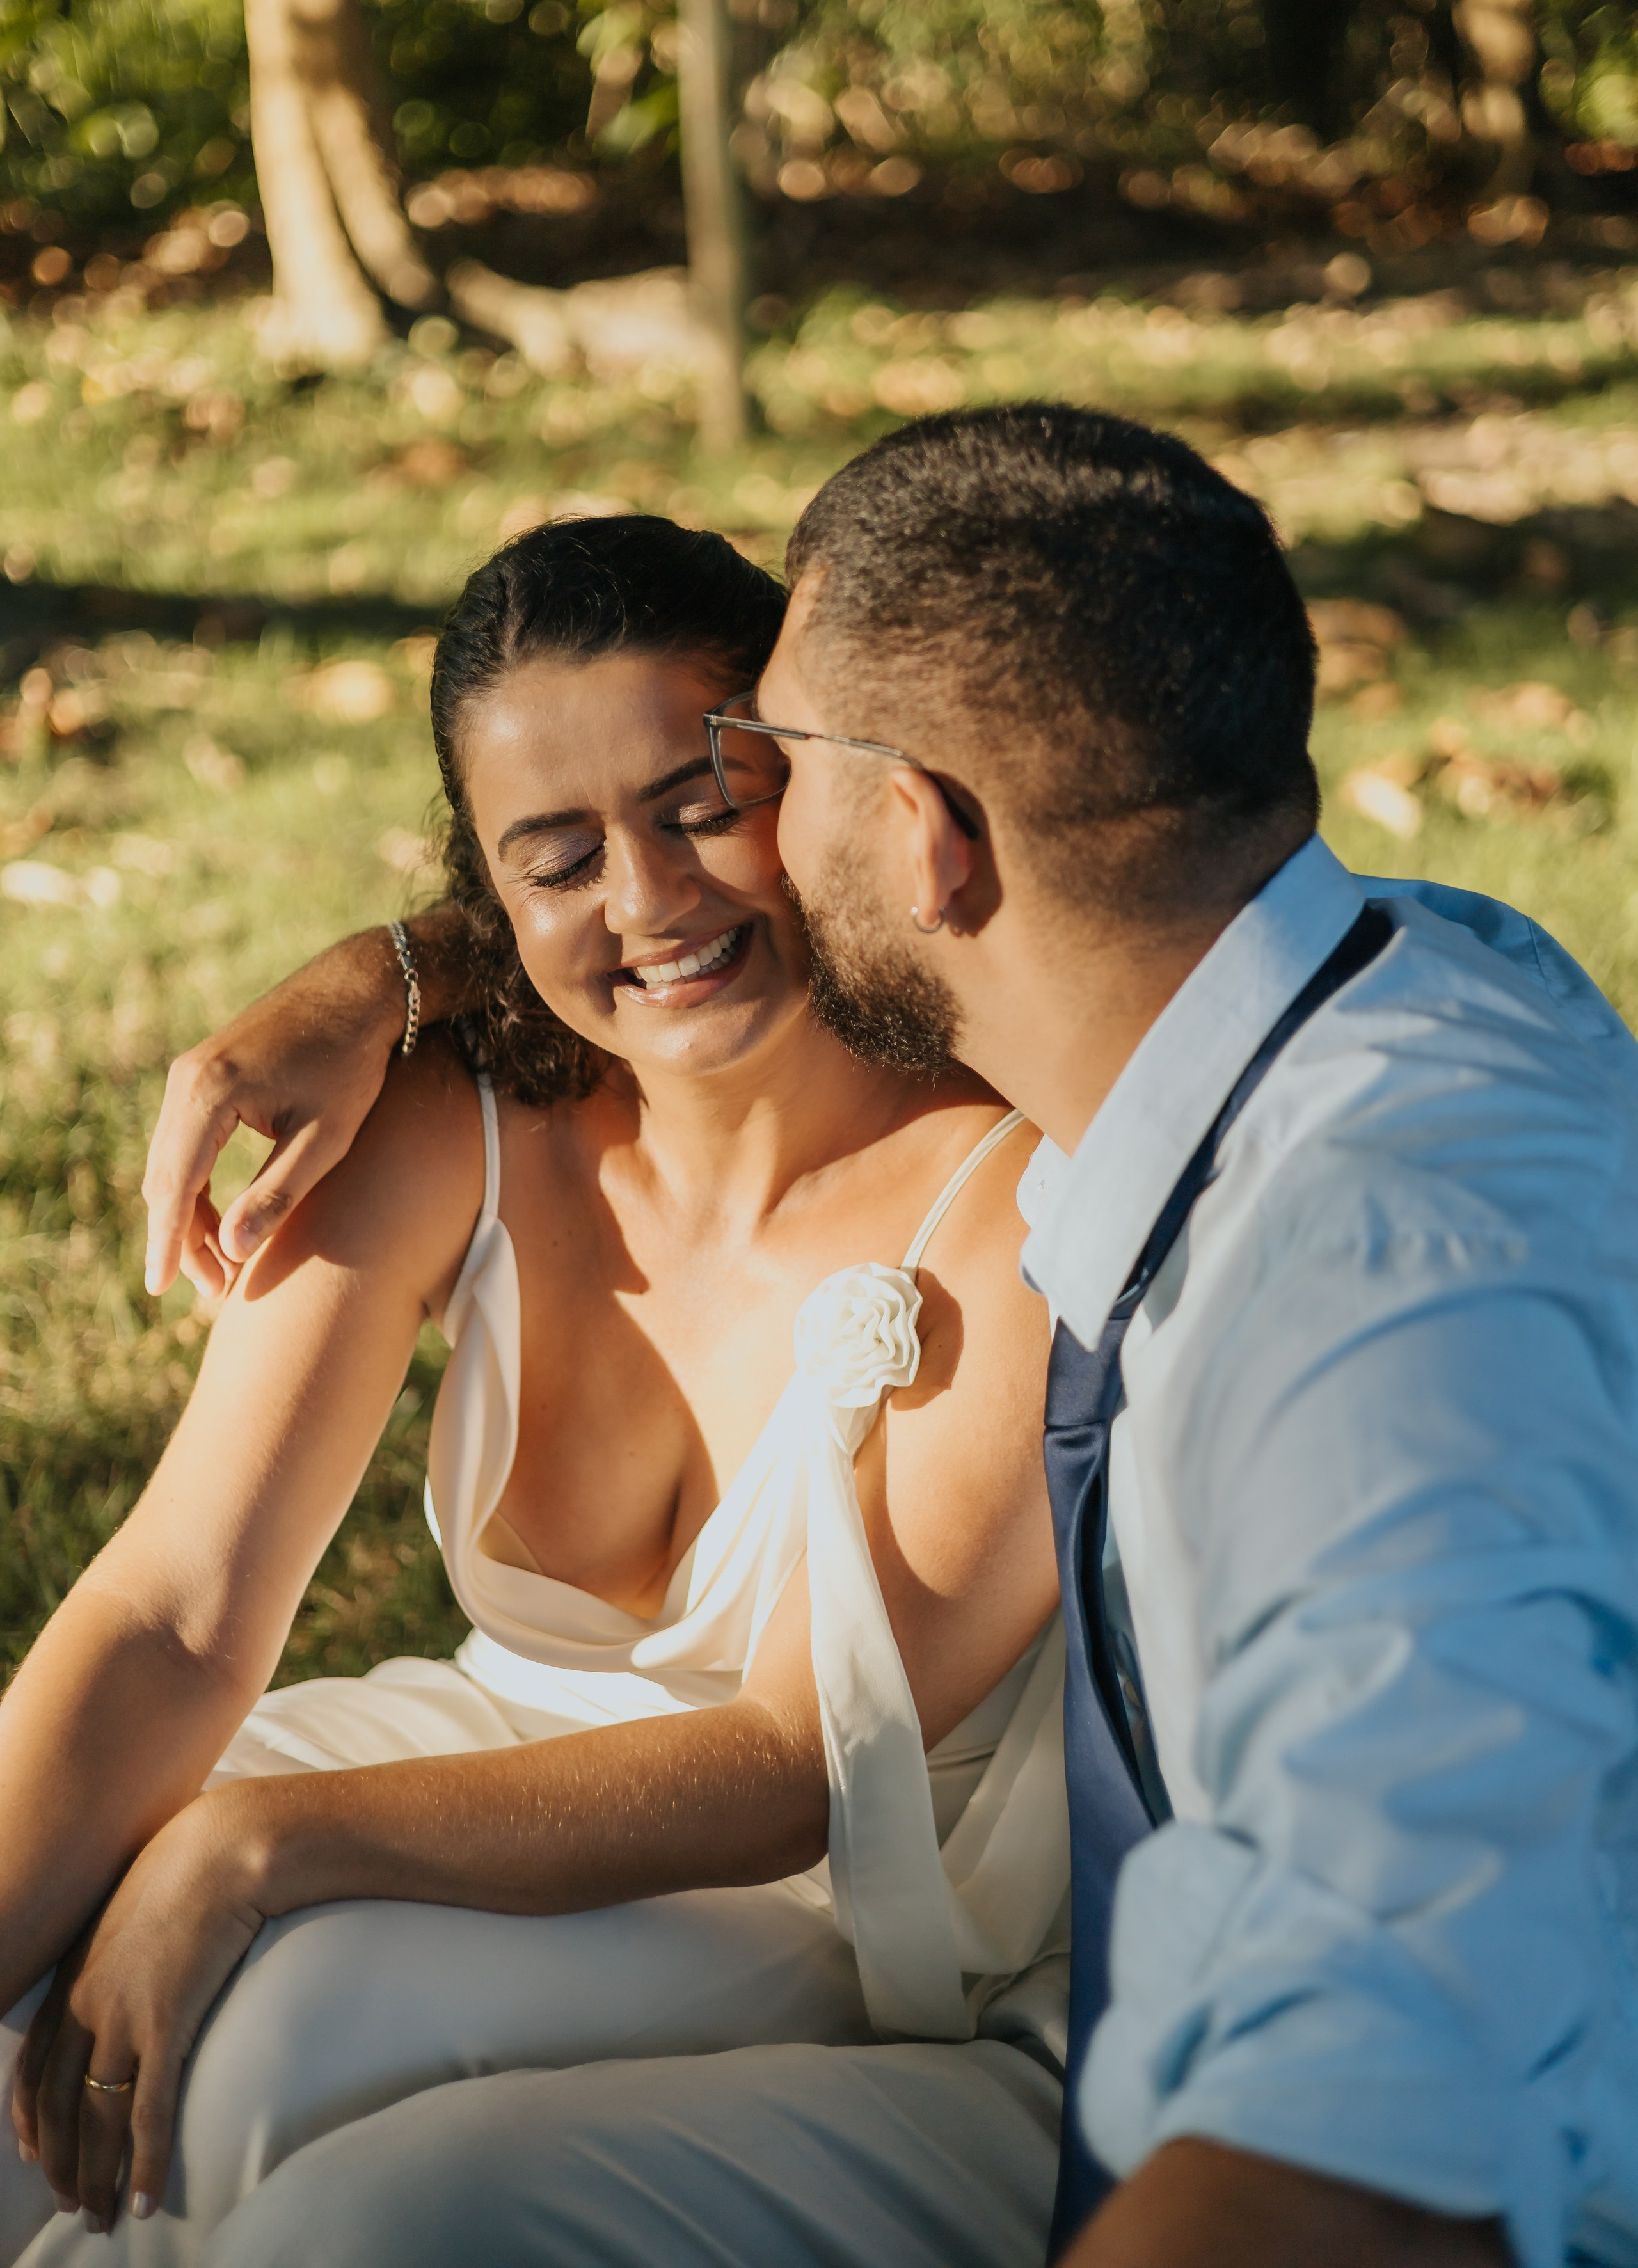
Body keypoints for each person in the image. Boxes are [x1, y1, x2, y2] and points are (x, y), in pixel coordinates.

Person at [148, 404, 1638, 2268]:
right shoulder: (1337, 988)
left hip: (1214, 2113)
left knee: (366, 2228)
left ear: (916, 834)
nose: (713, 849)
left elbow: (1371, 2128)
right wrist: (403, 967)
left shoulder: (1378, 1315)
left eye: (753, 775)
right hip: (1118, 2014)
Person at [0, 514, 1073, 2268]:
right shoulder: (449, 1116)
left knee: (265, 2047)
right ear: (482, 896)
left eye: (698, 807)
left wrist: (256, 1842)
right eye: (559, 855)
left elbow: (793, 1769)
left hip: (824, 1874)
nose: (648, 904)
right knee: (35, 2012)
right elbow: (180, 1606)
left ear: (807, 779)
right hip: (472, 1749)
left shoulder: (1005, 1192)